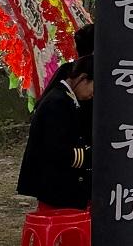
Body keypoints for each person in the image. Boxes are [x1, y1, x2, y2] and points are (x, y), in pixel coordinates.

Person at [17, 55, 94, 212]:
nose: (93, 94)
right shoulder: (57, 102)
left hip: (60, 183)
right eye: (94, 87)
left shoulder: (66, 98)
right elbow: (56, 149)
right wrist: (91, 157)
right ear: (83, 78)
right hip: (56, 185)